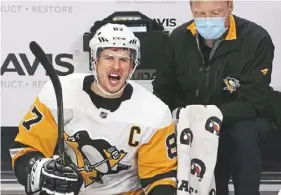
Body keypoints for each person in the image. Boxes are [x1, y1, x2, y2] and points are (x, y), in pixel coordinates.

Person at [9, 23, 177, 195]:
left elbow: (160, 177)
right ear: (94, 60)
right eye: (109, 57)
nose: (116, 66)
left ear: (133, 64)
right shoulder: (58, 93)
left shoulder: (155, 112)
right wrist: (40, 170)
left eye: (124, 59)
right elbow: (24, 150)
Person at [152, 0, 275, 195]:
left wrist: (210, 116)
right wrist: (182, 116)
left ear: (230, 7)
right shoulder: (177, 38)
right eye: (200, 14)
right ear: (191, 9)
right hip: (191, 122)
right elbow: (163, 90)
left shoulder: (256, 39)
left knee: (244, 135)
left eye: (215, 13)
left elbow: (255, 98)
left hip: (240, 121)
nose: (208, 20)